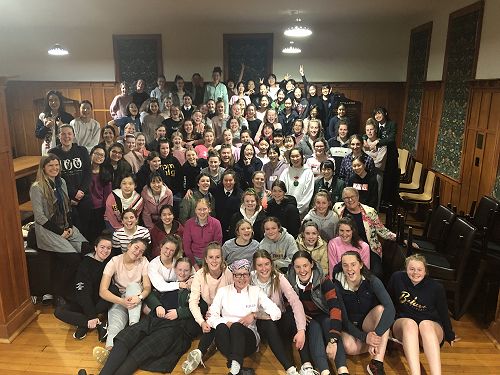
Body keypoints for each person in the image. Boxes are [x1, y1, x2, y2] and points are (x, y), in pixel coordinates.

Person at [95, 256, 199, 375]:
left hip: (174, 327)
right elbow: (150, 295)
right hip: (154, 319)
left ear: (190, 270)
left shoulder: (195, 289)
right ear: (175, 270)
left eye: (186, 270)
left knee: (142, 350)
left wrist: (179, 313)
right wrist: (157, 305)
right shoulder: (168, 284)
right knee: (127, 337)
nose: (182, 273)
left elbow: (202, 308)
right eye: (180, 269)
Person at [207, 259, 282, 375]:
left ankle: (235, 367)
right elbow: (211, 317)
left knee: (237, 327)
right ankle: (237, 367)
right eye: (238, 275)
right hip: (227, 342)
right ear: (233, 276)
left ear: (249, 275)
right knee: (221, 327)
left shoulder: (256, 291)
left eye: (245, 274)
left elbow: (277, 313)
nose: (242, 278)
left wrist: (255, 315)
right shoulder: (223, 292)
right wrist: (228, 323)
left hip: (248, 341)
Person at [388, 254, 457, 375]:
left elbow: (443, 312)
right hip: (405, 327)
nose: (415, 273)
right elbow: (388, 302)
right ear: (406, 269)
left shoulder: (436, 287)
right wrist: (385, 327)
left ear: (425, 271)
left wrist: (450, 335)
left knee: (425, 325)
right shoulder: (397, 278)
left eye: (419, 269)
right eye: (411, 269)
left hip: (429, 329)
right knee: (410, 324)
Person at [30, 154, 86, 303]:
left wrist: (68, 228)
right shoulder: (37, 187)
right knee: (73, 259)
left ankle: (78, 289)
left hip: (65, 227)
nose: (54, 168)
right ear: (43, 168)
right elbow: (40, 218)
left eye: (56, 165)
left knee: (87, 250)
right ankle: (58, 292)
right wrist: (60, 232)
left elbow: (67, 206)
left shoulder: (61, 181)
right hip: (48, 231)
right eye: (50, 166)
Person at [250, 250, 315, 375]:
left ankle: (306, 365)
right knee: (269, 325)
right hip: (261, 322)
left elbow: (295, 301)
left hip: (278, 318)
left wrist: (301, 330)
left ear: (271, 263)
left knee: (294, 315)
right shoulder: (250, 279)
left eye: (267, 264)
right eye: (260, 265)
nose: (264, 268)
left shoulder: (278, 277)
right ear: (254, 266)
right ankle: (290, 369)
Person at [287, 250, 350, 375]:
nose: (302, 270)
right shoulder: (288, 280)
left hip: (323, 314)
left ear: (311, 264)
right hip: (306, 317)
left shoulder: (323, 280)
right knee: (314, 327)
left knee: (328, 323)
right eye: (298, 267)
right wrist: (298, 313)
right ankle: (324, 371)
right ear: (293, 267)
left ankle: (343, 369)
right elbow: (285, 303)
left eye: (305, 265)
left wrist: (333, 340)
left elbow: (335, 309)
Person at [333, 251, 395, 375]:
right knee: (348, 347)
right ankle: (383, 341)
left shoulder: (372, 280)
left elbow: (390, 308)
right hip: (350, 326)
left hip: (367, 322)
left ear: (360, 265)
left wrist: (376, 335)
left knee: (381, 310)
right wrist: (366, 338)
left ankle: (376, 363)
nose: (349, 269)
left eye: (353, 264)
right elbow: (344, 320)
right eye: (345, 265)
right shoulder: (337, 285)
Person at [182, 242, 234, 375]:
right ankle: (200, 352)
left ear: (222, 258)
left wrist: (219, 314)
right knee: (206, 320)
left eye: (217, 257)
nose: (214, 260)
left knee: (215, 321)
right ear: (205, 259)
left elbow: (232, 298)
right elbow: (193, 302)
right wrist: (202, 322)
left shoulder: (228, 274)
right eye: (211, 257)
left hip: (224, 308)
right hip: (207, 308)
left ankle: (200, 351)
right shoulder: (200, 275)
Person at [95, 237, 151, 351]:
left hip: (136, 296)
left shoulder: (144, 261)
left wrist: (139, 297)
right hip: (120, 298)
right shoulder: (114, 261)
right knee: (115, 325)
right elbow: (103, 291)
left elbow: (147, 287)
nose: (137, 252)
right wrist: (122, 301)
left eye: (141, 251)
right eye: (136, 248)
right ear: (129, 245)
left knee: (133, 286)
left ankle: (133, 328)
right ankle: (108, 351)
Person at [54, 236, 112, 341]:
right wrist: (91, 316)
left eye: (108, 248)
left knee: (114, 291)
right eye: (102, 247)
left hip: (99, 301)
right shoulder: (86, 264)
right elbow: (83, 292)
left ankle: (84, 324)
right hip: (83, 301)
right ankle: (98, 324)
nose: (105, 251)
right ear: (95, 247)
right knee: (59, 311)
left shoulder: (110, 263)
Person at [333, 187, 396, 279]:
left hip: (369, 248)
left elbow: (382, 230)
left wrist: (399, 237)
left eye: (352, 196)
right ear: (343, 200)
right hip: (345, 247)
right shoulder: (338, 208)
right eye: (346, 198)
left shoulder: (370, 212)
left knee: (376, 274)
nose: (350, 200)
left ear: (358, 197)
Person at [48, 124, 92, 241]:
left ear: (73, 135)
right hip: (65, 197)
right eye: (63, 134)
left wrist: (81, 192)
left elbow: (88, 173)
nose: (66, 136)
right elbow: (55, 176)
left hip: (84, 194)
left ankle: (86, 247)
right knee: (72, 226)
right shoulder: (53, 153)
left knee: (86, 225)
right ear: (58, 136)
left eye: (69, 134)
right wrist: (72, 195)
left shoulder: (82, 151)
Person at [183, 198, 223, 269]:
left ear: (209, 210)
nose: (202, 212)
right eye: (199, 209)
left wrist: (208, 264)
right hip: (193, 259)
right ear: (195, 210)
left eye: (204, 209)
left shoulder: (216, 223)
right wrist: (194, 265)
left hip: (210, 259)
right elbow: (186, 247)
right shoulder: (189, 224)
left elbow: (217, 246)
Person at [372, 107, 399, 206]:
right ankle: (380, 200)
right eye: (376, 114)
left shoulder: (392, 124)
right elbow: (369, 134)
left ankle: (387, 202)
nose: (377, 116)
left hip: (390, 157)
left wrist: (377, 142)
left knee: (389, 180)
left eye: (380, 113)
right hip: (379, 156)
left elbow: (391, 139)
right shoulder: (375, 125)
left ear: (385, 114)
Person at [35, 90, 74, 155]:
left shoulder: (68, 117)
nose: (53, 102)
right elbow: (38, 135)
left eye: (56, 100)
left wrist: (63, 126)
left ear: (60, 101)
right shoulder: (43, 116)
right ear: (48, 102)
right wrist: (46, 127)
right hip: (48, 149)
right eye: (50, 100)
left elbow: (73, 135)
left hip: (63, 150)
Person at [279, 147, 315, 217]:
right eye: (292, 157)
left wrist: (297, 210)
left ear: (302, 157)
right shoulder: (286, 172)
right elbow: (281, 190)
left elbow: (308, 193)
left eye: (297, 156)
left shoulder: (308, 172)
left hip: (302, 212)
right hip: (286, 210)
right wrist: (288, 208)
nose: (295, 159)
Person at [88, 145, 112, 244]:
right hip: (86, 207)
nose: (99, 157)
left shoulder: (106, 174)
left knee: (98, 234)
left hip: (100, 209)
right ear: (91, 155)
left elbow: (107, 195)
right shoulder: (85, 172)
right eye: (96, 154)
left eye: (102, 155)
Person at [213, 169, 243, 242]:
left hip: (234, 230)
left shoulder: (240, 194)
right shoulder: (215, 191)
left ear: (234, 181)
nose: (228, 183)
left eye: (230, 180)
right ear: (222, 181)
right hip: (218, 228)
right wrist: (191, 190)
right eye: (225, 180)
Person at [363, 118, 387, 208]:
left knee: (374, 200)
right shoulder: (363, 143)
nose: (369, 132)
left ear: (375, 130)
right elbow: (359, 158)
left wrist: (366, 162)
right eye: (367, 130)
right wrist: (373, 158)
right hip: (363, 174)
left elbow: (379, 163)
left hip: (376, 174)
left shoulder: (382, 144)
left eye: (371, 129)